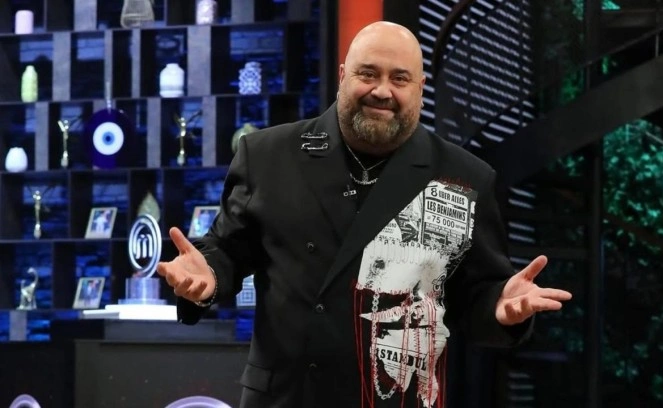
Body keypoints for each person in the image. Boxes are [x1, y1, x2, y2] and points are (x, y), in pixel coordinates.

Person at [157, 21, 572, 408]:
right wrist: (208, 274)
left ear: (421, 88)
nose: (382, 91)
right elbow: (229, 251)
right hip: (287, 396)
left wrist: (500, 305)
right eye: (368, 74)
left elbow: (476, 293)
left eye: (400, 78)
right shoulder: (268, 155)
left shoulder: (464, 178)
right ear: (343, 76)